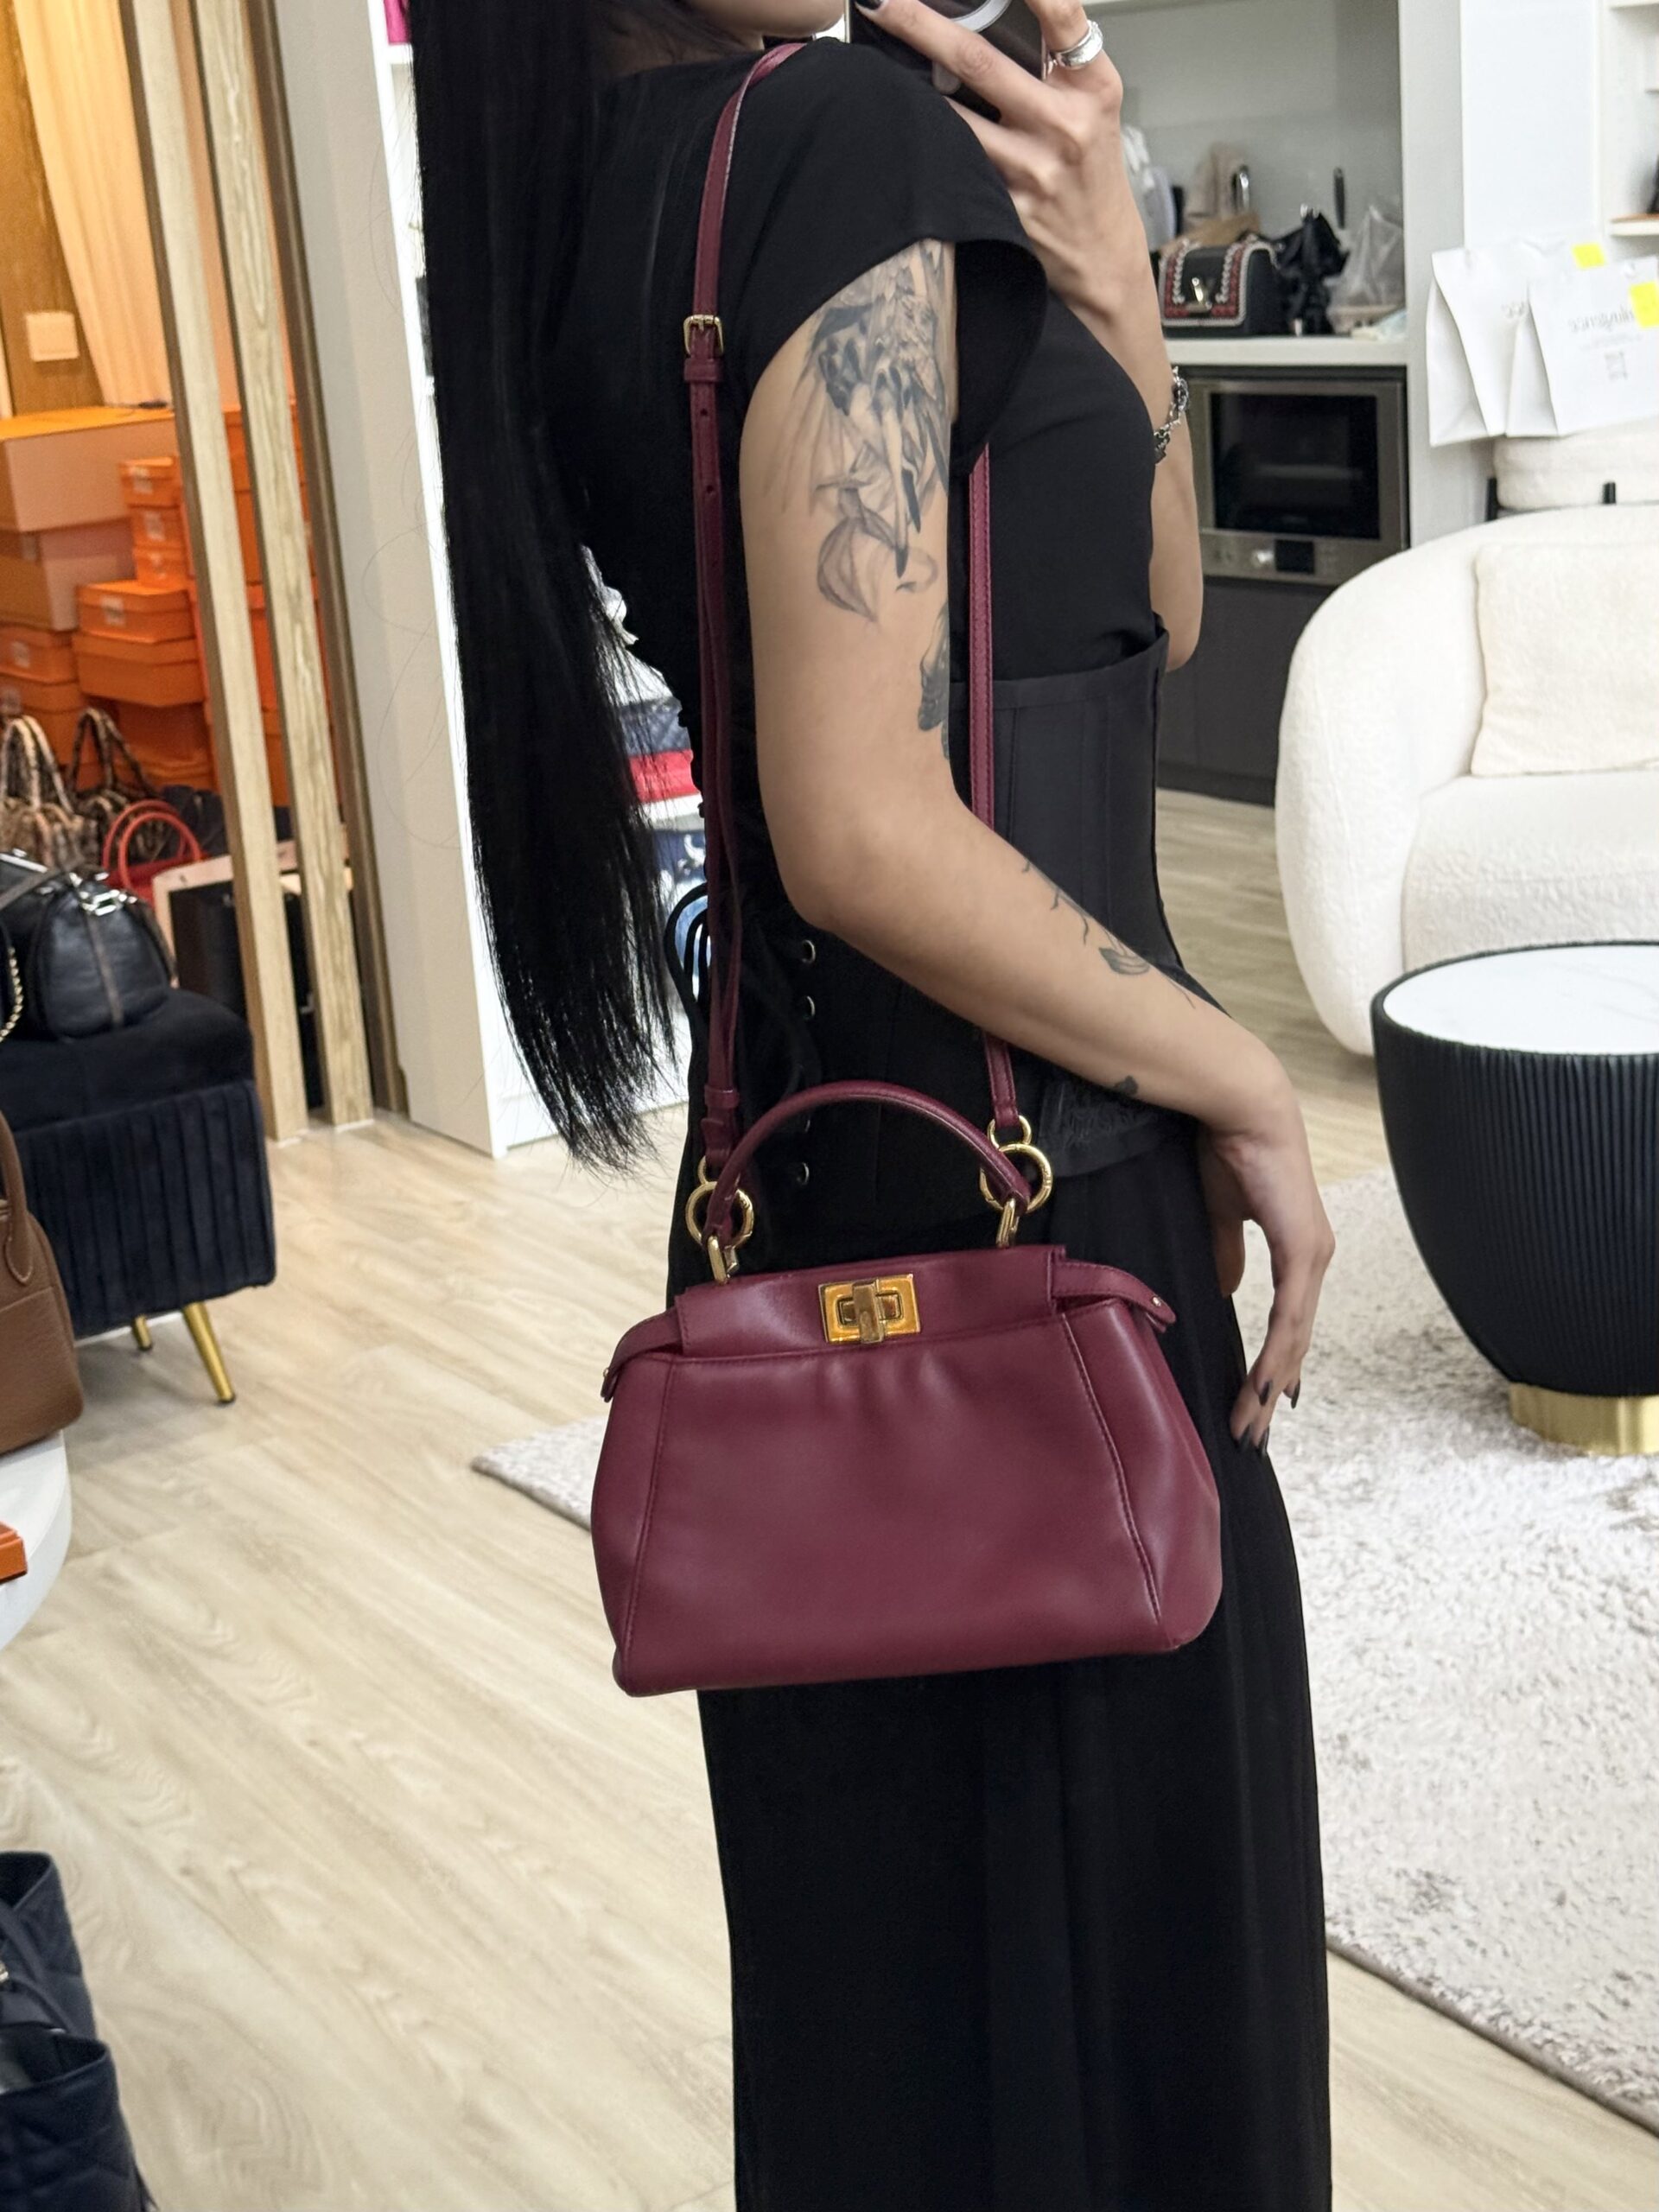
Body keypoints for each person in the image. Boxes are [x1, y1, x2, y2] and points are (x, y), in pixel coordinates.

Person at [410, 1, 1335, 2204]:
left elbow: (1146, 618)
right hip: (1038, 1218)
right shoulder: (830, 139)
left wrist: (1113, 284)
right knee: (1135, 2014)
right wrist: (1248, 1077)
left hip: (817, 1207)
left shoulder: (592, 189)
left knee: (901, 2014)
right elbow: (859, 822)